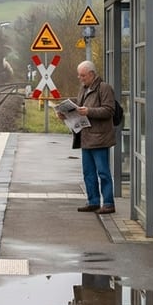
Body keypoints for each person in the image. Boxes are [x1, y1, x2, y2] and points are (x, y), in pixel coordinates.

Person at [59, 61, 117, 215]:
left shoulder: (104, 88)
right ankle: (93, 201)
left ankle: (109, 203)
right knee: (88, 172)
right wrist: (65, 114)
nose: (80, 78)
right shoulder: (84, 89)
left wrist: (89, 111)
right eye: (79, 75)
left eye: (83, 75)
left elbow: (109, 110)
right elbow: (79, 108)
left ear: (92, 74)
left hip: (100, 138)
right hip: (85, 137)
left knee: (103, 172)